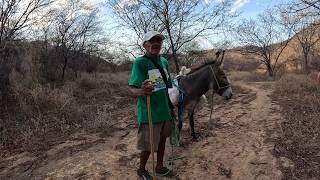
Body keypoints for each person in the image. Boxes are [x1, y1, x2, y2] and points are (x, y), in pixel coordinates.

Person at [129, 31, 176, 179]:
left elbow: (166, 87)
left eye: (159, 41)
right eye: (152, 40)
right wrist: (142, 91)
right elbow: (132, 89)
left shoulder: (164, 62)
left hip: (164, 111)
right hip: (149, 111)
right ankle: (141, 170)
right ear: (145, 45)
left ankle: (160, 166)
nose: (156, 43)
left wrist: (171, 107)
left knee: (162, 140)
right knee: (148, 145)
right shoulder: (140, 62)